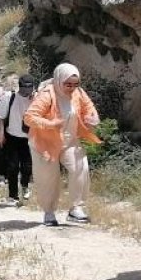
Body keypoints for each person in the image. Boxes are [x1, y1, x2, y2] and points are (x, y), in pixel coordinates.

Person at [24, 64, 101, 226]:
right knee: (48, 178)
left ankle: (76, 209)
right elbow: (29, 117)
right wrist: (51, 124)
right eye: (68, 84)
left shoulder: (79, 93)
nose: (72, 88)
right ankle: (49, 212)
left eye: (75, 84)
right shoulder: (46, 95)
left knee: (81, 168)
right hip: (44, 143)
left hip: (69, 141)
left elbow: (89, 109)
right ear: (59, 81)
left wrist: (93, 119)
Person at [0, 76, 35, 205]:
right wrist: (1, 134)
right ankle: (13, 195)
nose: (27, 91)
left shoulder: (36, 98)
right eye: (25, 88)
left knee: (27, 166)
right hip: (12, 136)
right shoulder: (9, 97)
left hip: (29, 138)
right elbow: (1, 116)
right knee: (12, 167)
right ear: (20, 86)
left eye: (30, 88)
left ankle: (24, 185)